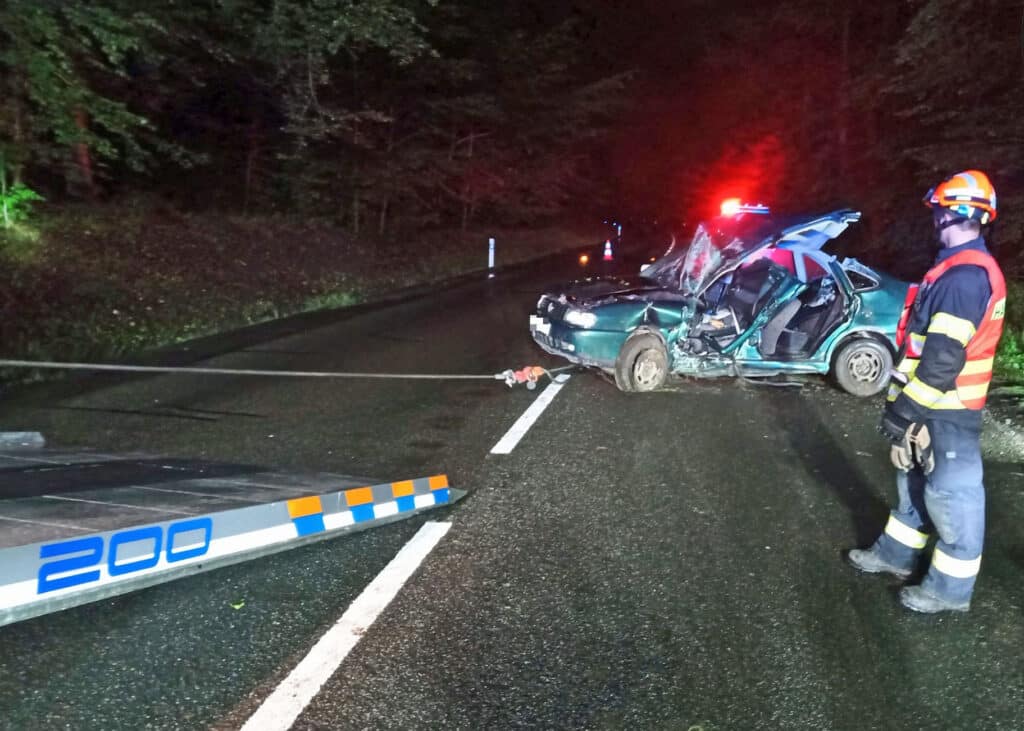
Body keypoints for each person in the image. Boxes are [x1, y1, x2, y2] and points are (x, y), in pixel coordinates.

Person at [847, 170, 1006, 613]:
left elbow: (940, 362)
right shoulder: (955, 270)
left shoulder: (964, 279)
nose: (933, 219)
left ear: (949, 214)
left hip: (947, 411)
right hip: (930, 407)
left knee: (952, 498)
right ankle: (896, 556)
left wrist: (905, 413)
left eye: (937, 211)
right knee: (913, 483)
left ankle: (948, 591)